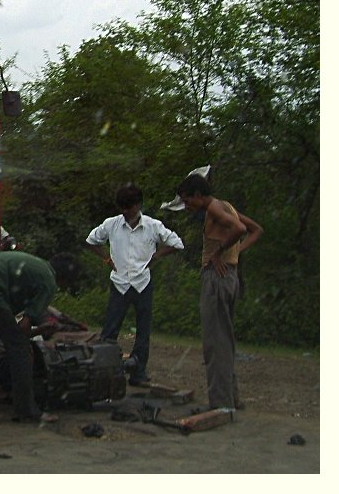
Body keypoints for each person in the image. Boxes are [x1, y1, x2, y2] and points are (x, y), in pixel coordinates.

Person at [0, 250, 79, 423]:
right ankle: (27, 410)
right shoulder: (49, 281)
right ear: (64, 279)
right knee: (20, 348)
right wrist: (37, 332)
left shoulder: (35, 268)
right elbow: (22, 327)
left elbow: (0, 324)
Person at [176, 173, 263, 410]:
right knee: (224, 339)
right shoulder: (226, 206)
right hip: (229, 276)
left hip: (217, 278)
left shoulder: (214, 208)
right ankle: (231, 398)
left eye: (187, 200)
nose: (187, 206)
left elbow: (239, 228)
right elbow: (255, 230)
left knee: (215, 342)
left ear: (198, 195)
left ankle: (221, 403)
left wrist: (219, 252)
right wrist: (235, 252)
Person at [85, 184, 184, 386]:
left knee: (143, 330)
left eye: (128, 207)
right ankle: (105, 371)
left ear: (138, 205)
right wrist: (106, 259)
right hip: (119, 282)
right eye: (122, 207)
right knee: (110, 329)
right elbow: (91, 241)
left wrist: (157, 255)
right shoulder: (112, 224)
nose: (124, 211)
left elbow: (176, 243)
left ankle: (138, 372)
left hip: (142, 282)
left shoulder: (153, 225)